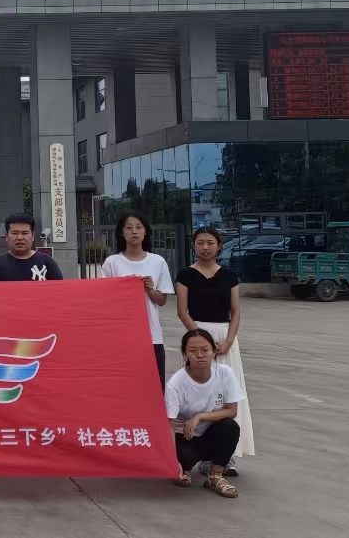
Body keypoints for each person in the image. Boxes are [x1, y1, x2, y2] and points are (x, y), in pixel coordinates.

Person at [176, 227, 254, 474]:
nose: (205, 247)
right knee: (198, 393)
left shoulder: (229, 276)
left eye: (210, 242)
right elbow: (182, 311)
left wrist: (229, 340)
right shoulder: (185, 275)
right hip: (197, 337)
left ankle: (225, 456)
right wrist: (201, 340)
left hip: (225, 339)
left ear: (219, 245)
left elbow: (236, 311)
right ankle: (198, 450)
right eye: (200, 242)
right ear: (194, 246)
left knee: (227, 394)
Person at [165, 328, 244, 498]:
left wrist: (200, 416)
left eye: (205, 350)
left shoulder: (225, 373)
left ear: (214, 352)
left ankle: (215, 475)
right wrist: (172, 462)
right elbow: (169, 424)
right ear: (185, 355)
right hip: (184, 438)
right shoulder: (176, 383)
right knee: (185, 455)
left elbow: (232, 411)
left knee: (230, 427)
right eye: (193, 351)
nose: (200, 355)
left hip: (209, 436)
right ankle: (183, 468)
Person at [99, 211, 173, 388]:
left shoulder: (158, 261)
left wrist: (150, 290)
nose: (134, 231)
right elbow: (104, 298)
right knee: (123, 387)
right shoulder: (112, 262)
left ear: (145, 231)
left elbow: (161, 300)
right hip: (121, 336)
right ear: (122, 232)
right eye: (129, 227)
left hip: (152, 335)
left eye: (139, 227)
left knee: (153, 386)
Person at [0, 213, 64, 281]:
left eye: (24, 233)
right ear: (6, 236)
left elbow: (60, 291)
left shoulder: (47, 263)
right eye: (14, 233)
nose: (20, 238)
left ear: (33, 236)